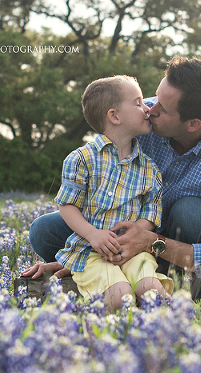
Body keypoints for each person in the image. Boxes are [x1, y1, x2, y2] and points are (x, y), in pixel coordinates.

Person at [22, 56, 201, 305]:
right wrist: (81, 252)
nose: (149, 109)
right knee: (44, 230)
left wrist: (153, 243)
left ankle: (193, 296)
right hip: (122, 228)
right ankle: (103, 270)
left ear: (193, 124)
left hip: (176, 246)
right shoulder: (138, 119)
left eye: (162, 109)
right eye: (154, 97)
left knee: (189, 211)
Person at [43, 74, 173, 311]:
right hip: (90, 252)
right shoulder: (81, 159)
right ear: (114, 116)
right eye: (138, 102)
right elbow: (67, 205)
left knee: (151, 290)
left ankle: (171, 331)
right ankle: (115, 339)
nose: (148, 108)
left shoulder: (150, 169)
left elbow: (151, 213)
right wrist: (93, 235)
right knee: (120, 295)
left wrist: (131, 239)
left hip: (134, 251)